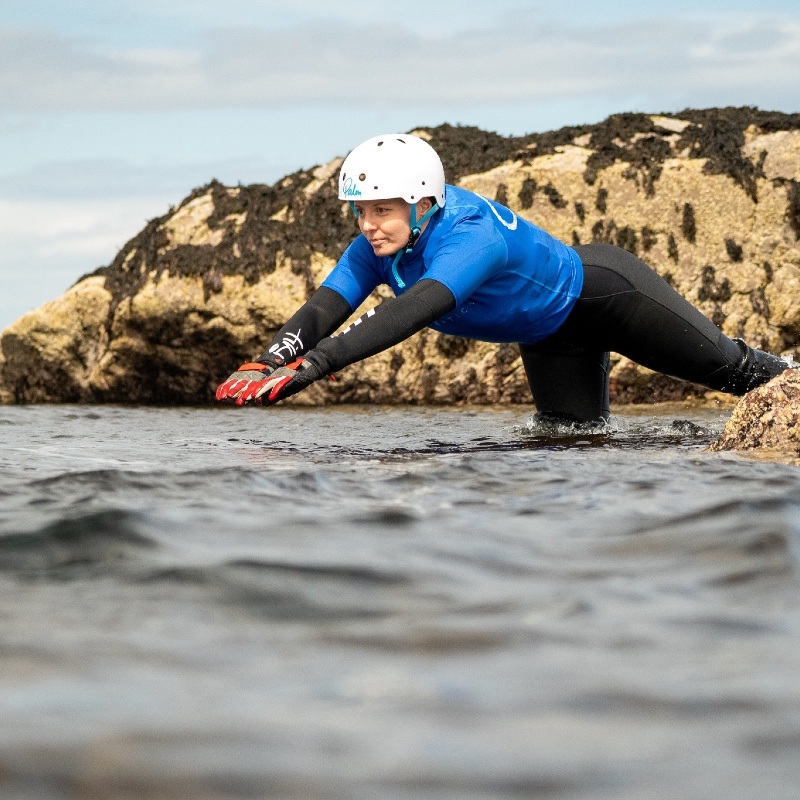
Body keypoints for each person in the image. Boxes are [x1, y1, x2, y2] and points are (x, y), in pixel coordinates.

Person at [216, 133, 791, 422]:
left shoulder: (470, 238)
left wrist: (316, 364)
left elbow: (412, 309)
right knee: (569, 446)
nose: (367, 225)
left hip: (609, 296)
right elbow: (323, 307)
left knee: (738, 373)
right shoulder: (380, 242)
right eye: (361, 211)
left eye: (381, 210)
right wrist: (272, 358)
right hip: (548, 339)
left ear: (422, 204)